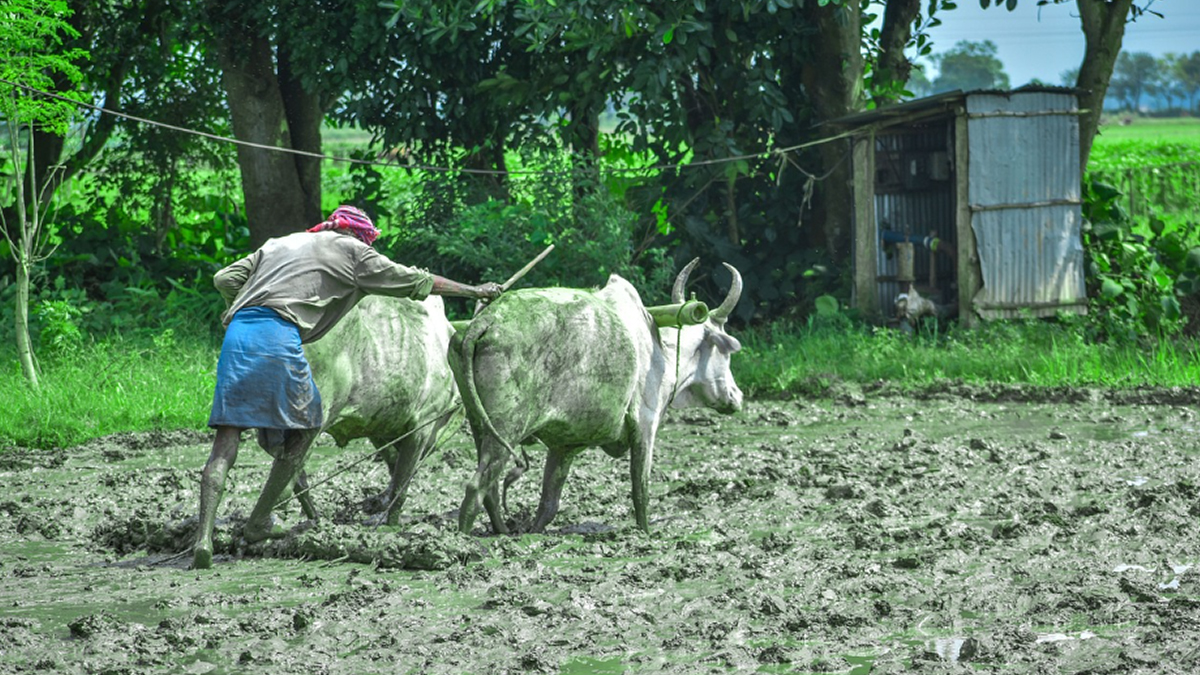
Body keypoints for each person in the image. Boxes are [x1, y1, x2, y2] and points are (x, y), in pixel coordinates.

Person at [193, 205, 502, 569]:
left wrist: (243, 305)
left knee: (226, 440)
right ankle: (259, 521)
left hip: (238, 335)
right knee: (307, 427)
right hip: (280, 336)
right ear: (358, 236)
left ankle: (204, 539)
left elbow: (223, 279)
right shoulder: (353, 252)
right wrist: (474, 290)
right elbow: (418, 281)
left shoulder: (281, 243)